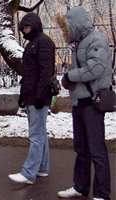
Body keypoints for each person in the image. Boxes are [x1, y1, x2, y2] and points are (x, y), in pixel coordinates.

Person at [56, 6, 112, 200]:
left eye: (67, 27)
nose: (66, 32)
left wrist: (69, 76)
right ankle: (80, 187)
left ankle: (102, 194)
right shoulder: (79, 43)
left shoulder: (97, 39)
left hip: (92, 103)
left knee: (97, 150)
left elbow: (95, 68)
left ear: (76, 24)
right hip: (79, 102)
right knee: (81, 149)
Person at [8, 12, 55, 184]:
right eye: (23, 28)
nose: (24, 30)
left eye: (26, 27)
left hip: (38, 96)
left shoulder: (42, 42)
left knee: (36, 135)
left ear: (34, 25)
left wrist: (39, 95)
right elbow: (29, 73)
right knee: (40, 133)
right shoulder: (34, 43)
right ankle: (42, 168)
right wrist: (23, 96)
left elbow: (45, 72)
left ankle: (28, 173)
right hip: (32, 94)